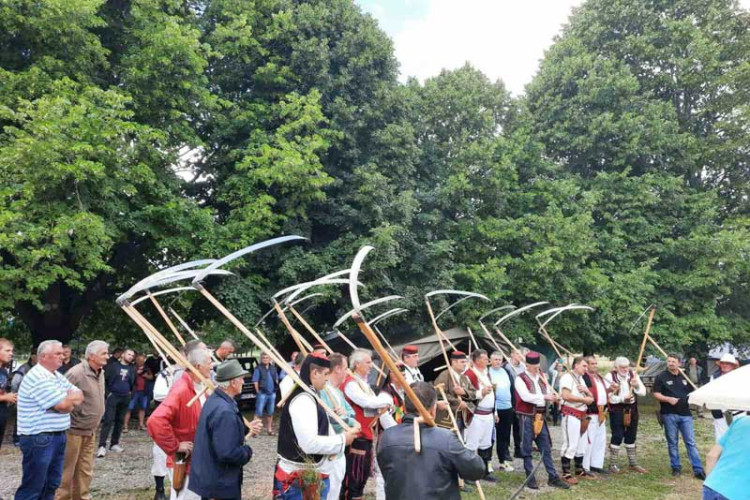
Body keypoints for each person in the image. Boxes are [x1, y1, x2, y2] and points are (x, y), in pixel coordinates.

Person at [377, 381, 486, 499]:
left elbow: (475, 470)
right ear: (434, 409)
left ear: (404, 407)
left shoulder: (387, 437)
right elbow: (476, 470)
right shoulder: (445, 439)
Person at [274, 354, 358, 500]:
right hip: (299, 482)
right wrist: (343, 440)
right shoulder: (303, 400)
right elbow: (309, 443)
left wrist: (347, 424)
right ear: (314, 373)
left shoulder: (311, 395)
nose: (327, 378)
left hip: (308, 479)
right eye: (325, 374)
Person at [15, 340, 85, 500]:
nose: (63, 356)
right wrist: (66, 401)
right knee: (33, 486)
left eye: (63, 353)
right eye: (58, 353)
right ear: (44, 356)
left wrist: (67, 401)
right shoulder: (38, 376)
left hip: (56, 435)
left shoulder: (55, 375)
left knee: (52, 483)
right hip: (39, 437)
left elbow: (79, 394)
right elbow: (63, 405)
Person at [188, 360, 263, 500]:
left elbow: (221, 435)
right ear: (232, 383)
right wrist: (247, 451)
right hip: (220, 484)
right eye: (241, 378)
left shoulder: (216, 400)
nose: (243, 381)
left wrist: (246, 429)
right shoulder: (224, 411)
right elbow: (227, 453)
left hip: (213, 480)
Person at [147, 348, 212, 500]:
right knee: (185, 496)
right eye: (209, 363)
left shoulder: (201, 387)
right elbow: (156, 420)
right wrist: (175, 446)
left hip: (198, 457)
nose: (212, 366)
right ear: (197, 366)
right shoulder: (181, 389)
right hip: (184, 458)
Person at [56, 340, 109, 500]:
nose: (108, 356)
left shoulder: (101, 372)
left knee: (85, 471)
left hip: (90, 431)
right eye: (104, 353)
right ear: (92, 356)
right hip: (73, 431)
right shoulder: (76, 373)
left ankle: (82, 497)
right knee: (67, 471)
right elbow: (59, 398)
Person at [339, 349, 392, 500]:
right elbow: (367, 402)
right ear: (357, 364)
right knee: (353, 479)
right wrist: (387, 399)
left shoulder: (362, 383)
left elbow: (373, 405)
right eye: (368, 363)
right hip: (356, 437)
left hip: (365, 435)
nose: (371, 366)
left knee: (361, 478)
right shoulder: (350, 383)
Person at [514, 351, 569, 490]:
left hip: (541, 416)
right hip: (527, 416)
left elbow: (548, 394)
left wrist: (555, 398)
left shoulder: (542, 378)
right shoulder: (520, 378)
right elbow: (526, 397)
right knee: (526, 448)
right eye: (533, 366)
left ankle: (553, 477)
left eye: (538, 365)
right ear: (526, 365)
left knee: (546, 447)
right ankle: (530, 477)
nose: (536, 368)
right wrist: (545, 397)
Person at [652, 353, 706, 479]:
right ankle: (676, 467)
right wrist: (668, 399)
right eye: (669, 361)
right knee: (672, 442)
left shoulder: (685, 376)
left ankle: (698, 469)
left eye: (673, 361)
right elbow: (656, 394)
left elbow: (692, 392)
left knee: (690, 442)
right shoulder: (661, 377)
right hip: (669, 414)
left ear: (679, 363)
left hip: (686, 414)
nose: (671, 363)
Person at [320, 353, 358, 500]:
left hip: (340, 452)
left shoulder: (338, 392)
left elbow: (352, 413)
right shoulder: (323, 391)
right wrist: (347, 421)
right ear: (337, 369)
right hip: (329, 454)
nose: (347, 372)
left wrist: (347, 418)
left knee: (335, 492)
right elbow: (331, 420)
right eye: (346, 368)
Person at [604, 356, 647, 473]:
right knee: (617, 435)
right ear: (616, 367)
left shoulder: (633, 375)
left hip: (632, 410)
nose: (625, 369)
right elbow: (608, 397)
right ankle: (613, 464)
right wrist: (623, 398)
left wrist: (637, 385)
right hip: (617, 410)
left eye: (627, 367)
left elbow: (643, 392)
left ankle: (633, 463)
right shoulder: (610, 377)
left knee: (631, 435)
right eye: (622, 367)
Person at [558, 356, 594, 484]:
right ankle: (566, 473)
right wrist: (584, 400)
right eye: (584, 366)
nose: (586, 368)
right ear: (576, 365)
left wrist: (587, 392)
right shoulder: (567, 377)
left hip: (582, 414)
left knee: (581, 443)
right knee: (570, 443)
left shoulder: (581, 379)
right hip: (571, 413)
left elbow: (591, 397)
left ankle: (579, 469)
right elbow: (566, 396)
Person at [463, 349, 497, 482]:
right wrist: (480, 392)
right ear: (477, 361)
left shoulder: (486, 373)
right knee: (472, 444)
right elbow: (467, 394)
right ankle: (468, 474)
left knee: (485, 444)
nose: (487, 360)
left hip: (488, 414)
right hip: (476, 414)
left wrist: (495, 412)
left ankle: (484, 471)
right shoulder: (469, 374)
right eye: (485, 358)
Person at [98, 348, 135, 457]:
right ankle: (102, 445)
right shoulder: (114, 366)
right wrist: (107, 394)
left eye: (132, 355)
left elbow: (133, 382)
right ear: (123, 355)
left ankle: (114, 443)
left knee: (120, 421)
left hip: (125, 397)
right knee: (108, 420)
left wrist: (130, 393)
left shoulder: (132, 369)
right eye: (129, 354)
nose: (131, 357)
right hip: (113, 396)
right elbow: (105, 379)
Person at [703, 416, 750, 500]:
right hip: (740, 494)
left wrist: (710, 484)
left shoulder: (740, 420)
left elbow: (712, 456)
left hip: (712, 485)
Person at [433, 351, 477, 433]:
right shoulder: (444, 375)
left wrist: (464, 392)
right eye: (462, 362)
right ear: (453, 362)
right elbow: (439, 393)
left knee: (459, 443)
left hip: (462, 417)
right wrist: (458, 402)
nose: (465, 364)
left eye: (465, 362)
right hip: (447, 419)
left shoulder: (464, 377)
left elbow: (474, 393)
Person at [580, 355, 610, 476]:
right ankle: (585, 466)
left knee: (600, 439)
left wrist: (611, 390)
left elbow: (602, 393)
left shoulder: (598, 377)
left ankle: (596, 464)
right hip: (591, 411)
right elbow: (589, 394)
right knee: (589, 439)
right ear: (586, 365)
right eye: (592, 364)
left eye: (595, 363)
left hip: (601, 411)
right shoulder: (585, 378)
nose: (595, 366)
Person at [488, 350, 515, 472]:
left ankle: (503, 461)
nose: (498, 362)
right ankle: (487, 461)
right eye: (495, 359)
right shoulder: (488, 373)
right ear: (490, 360)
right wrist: (494, 411)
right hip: (496, 409)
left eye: (499, 359)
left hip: (507, 408)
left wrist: (513, 406)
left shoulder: (505, 371)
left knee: (504, 436)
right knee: (491, 436)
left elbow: (511, 389)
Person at [709, 353, 740, 441]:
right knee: (721, 438)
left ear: (733, 365)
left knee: (736, 437)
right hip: (720, 412)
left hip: (737, 412)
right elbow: (711, 394)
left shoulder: (739, 377)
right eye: (723, 363)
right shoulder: (714, 377)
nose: (724, 365)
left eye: (727, 363)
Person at [124, 353, 155, 433]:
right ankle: (125, 425)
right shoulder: (132, 368)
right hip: (134, 390)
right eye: (139, 360)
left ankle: (141, 424)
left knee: (142, 408)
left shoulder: (146, 368)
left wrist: (146, 376)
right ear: (136, 360)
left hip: (144, 391)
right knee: (129, 408)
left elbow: (151, 377)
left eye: (142, 360)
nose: (141, 362)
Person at [11, 353, 38, 447]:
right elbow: (15, 382)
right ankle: (16, 438)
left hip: (34, 398)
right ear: (32, 356)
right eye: (37, 355)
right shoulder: (24, 368)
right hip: (22, 397)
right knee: (20, 417)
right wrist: (15, 394)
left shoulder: (39, 368)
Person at [251, 352, 278, 435]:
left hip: (272, 393)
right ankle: (254, 431)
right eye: (263, 358)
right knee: (258, 412)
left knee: (270, 412)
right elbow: (255, 381)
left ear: (269, 359)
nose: (265, 359)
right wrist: (258, 391)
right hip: (262, 393)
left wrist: (275, 388)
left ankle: (269, 430)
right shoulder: (258, 368)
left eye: (267, 357)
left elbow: (276, 379)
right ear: (261, 359)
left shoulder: (273, 368)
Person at [507, 348, 526, 458]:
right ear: (512, 355)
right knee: (507, 427)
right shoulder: (507, 367)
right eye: (518, 354)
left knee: (519, 427)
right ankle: (505, 452)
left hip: (521, 400)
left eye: (521, 354)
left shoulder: (523, 367)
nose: (520, 356)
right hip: (510, 399)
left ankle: (518, 449)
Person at [0, 338, 18, 450]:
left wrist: (11, 396)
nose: (11, 354)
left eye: (12, 351)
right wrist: (5, 397)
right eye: (7, 350)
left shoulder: (3, 371)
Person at [549, 361, 565, 426]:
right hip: (555, 391)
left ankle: (561, 421)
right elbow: (550, 369)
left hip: (561, 391)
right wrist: (554, 363)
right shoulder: (555, 372)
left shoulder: (564, 374)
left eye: (561, 366)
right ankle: (555, 422)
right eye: (558, 366)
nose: (559, 367)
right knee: (555, 407)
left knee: (561, 406)